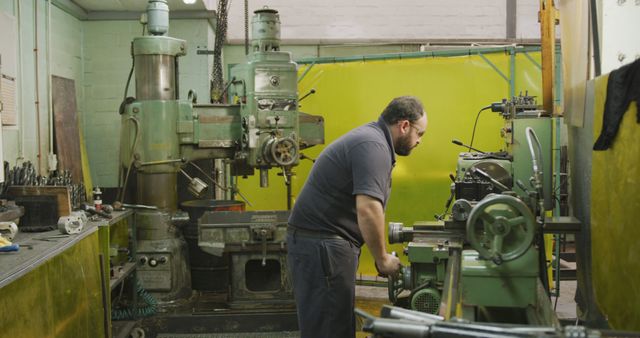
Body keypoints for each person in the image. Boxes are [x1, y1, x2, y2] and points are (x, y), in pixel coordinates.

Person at [287, 96, 428, 337]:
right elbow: (368, 209)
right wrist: (382, 258)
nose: (419, 141)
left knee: (333, 323)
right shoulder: (373, 146)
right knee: (330, 329)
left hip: (324, 244)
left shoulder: (372, 140)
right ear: (404, 125)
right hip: (323, 246)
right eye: (420, 133)